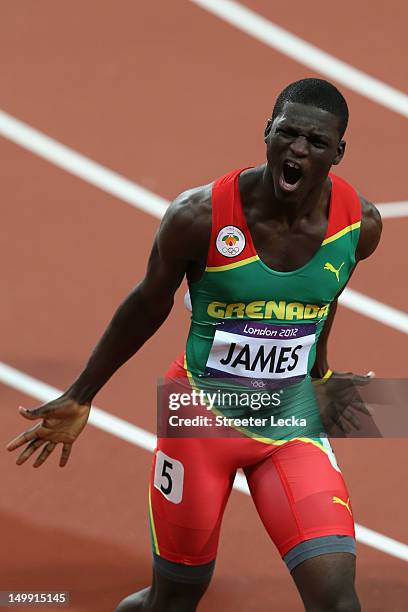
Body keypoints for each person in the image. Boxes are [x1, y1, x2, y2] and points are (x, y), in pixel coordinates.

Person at [7, 78, 382, 611]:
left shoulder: (360, 227)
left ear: (338, 152)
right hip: (198, 420)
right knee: (174, 600)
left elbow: (323, 301)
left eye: (316, 142)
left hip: (289, 424)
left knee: (338, 602)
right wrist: (82, 394)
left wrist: (320, 374)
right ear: (267, 134)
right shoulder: (198, 216)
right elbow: (148, 303)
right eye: (288, 134)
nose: (298, 149)